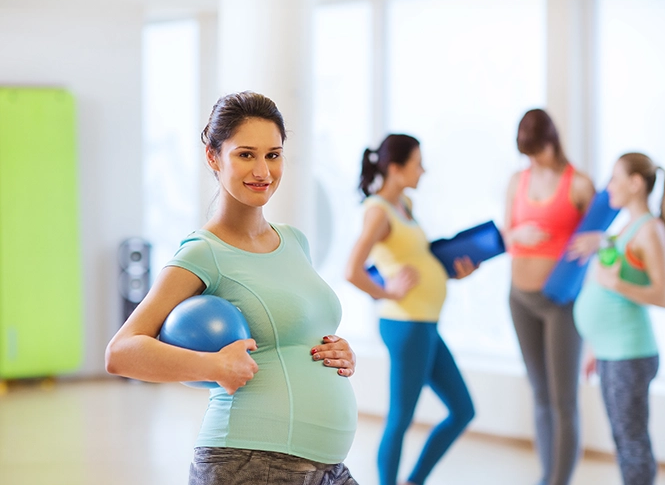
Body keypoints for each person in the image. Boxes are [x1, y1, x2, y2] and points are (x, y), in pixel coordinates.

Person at [105, 91, 359, 485]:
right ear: (213, 157)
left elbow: (292, 330)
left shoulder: (295, 241)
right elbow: (121, 352)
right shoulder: (204, 252)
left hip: (327, 467)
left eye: (273, 155)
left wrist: (337, 350)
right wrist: (213, 366)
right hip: (251, 462)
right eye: (245, 154)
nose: (262, 170)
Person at [344, 134, 476, 485]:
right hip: (406, 324)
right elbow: (351, 270)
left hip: (425, 323)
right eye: (418, 163)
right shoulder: (378, 212)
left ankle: (413, 481)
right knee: (401, 418)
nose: (423, 170)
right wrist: (386, 292)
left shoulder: (404, 205)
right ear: (396, 168)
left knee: (463, 410)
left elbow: (417, 259)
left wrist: (451, 271)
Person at [503, 109, 596, 485]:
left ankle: (559, 481)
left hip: (561, 303)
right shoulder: (516, 180)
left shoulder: (579, 184)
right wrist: (517, 235)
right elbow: (505, 235)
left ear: (551, 142)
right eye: (526, 153)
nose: (532, 160)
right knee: (539, 393)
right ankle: (547, 476)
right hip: (519, 298)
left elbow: (594, 245)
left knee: (563, 400)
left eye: (536, 151)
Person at [571, 152, 665, 485]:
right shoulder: (627, 227)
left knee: (632, 442)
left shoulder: (650, 230)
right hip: (612, 351)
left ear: (635, 183)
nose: (608, 186)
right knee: (622, 438)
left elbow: (662, 295)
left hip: (631, 352)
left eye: (614, 178)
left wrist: (617, 283)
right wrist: (595, 347)